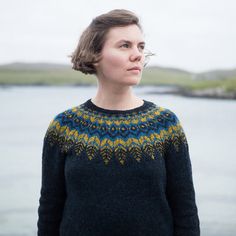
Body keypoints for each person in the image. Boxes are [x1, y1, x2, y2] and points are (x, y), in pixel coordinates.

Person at [37, 9, 200, 236]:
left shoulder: (165, 124)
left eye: (141, 47)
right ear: (94, 54)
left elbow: (186, 212)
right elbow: (49, 210)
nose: (138, 55)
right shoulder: (65, 127)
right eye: (125, 45)